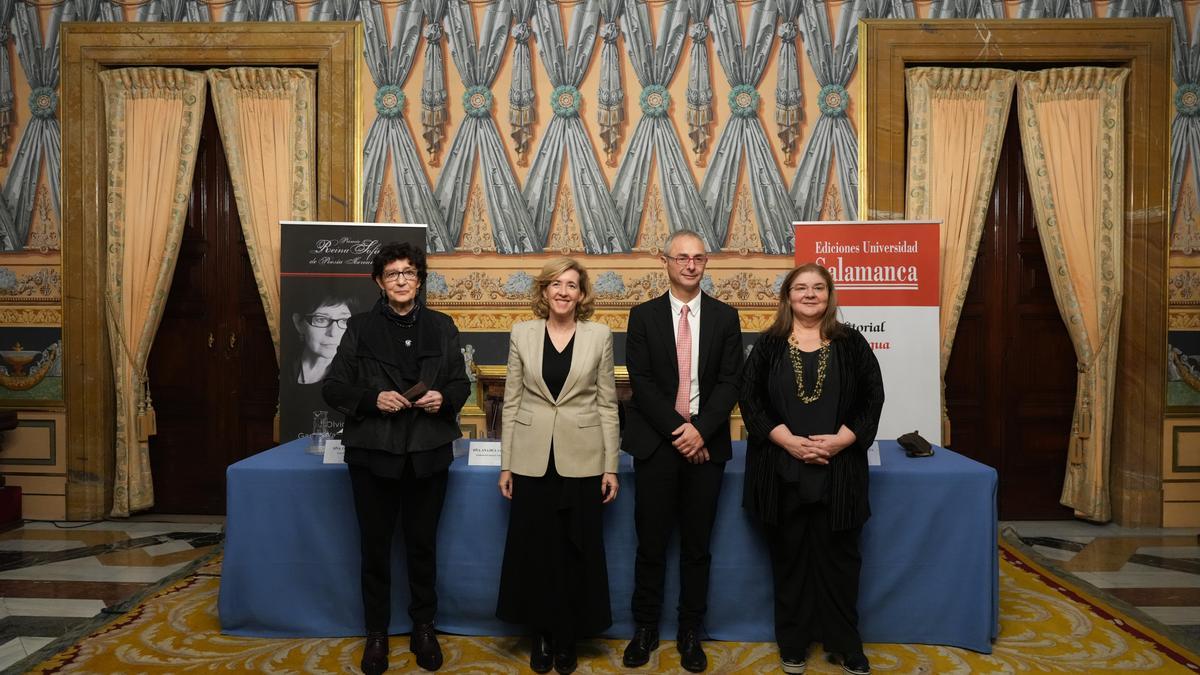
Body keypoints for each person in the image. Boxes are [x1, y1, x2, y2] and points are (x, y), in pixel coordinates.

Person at [322, 242, 471, 675]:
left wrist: (444, 398)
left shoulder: (442, 326)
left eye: (409, 273)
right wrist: (372, 398)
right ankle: (377, 635)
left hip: (427, 453)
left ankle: (424, 628)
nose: (402, 280)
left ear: (420, 280)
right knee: (375, 550)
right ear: (379, 282)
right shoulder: (360, 328)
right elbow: (333, 388)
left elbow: (460, 385)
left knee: (422, 548)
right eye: (393, 274)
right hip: (373, 455)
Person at [738, 262, 884, 675]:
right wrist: (786, 440)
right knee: (790, 561)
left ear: (829, 295)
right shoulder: (767, 345)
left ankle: (845, 643)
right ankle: (794, 644)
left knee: (841, 561)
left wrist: (843, 440)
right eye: (800, 288)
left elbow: (872, 398)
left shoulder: (852, 344)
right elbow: (750, 401)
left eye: (818, 288)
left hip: (839, 474)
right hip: (781, 471)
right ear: (787, 296)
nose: (809, 294)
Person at [621, 229, 743, 672]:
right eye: (681, 258)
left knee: (697, 546)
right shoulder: (643, 316)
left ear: (705, 263)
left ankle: (691, 630)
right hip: (657, 445)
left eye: (698, 258)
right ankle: (645, 628)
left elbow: (731, 381)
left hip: (706, 449)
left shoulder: (726, 317)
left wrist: (700, 432)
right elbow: (642, 382)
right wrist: (680, 431)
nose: (690, 265)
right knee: (650, 544)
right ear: (665, 261)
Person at [495, 257, 620, 675]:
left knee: (575, 549)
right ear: (544, 291)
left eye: (572, 285)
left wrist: (611, 466)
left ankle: (567, 637)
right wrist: (506, 463)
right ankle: (542, 635)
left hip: (582, 459)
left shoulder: (599, 335)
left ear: (582, 295)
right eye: (556, 284)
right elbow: (512, 400)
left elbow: (607, 403)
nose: (564, 291)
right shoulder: (522, 333)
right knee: (535, 551)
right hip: (531, 459)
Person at [291, 289, 359, 384]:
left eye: (344, 320)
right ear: (298, 323)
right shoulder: (284, 365)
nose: (333, 333)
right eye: (321, 319)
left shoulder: (357, 377)